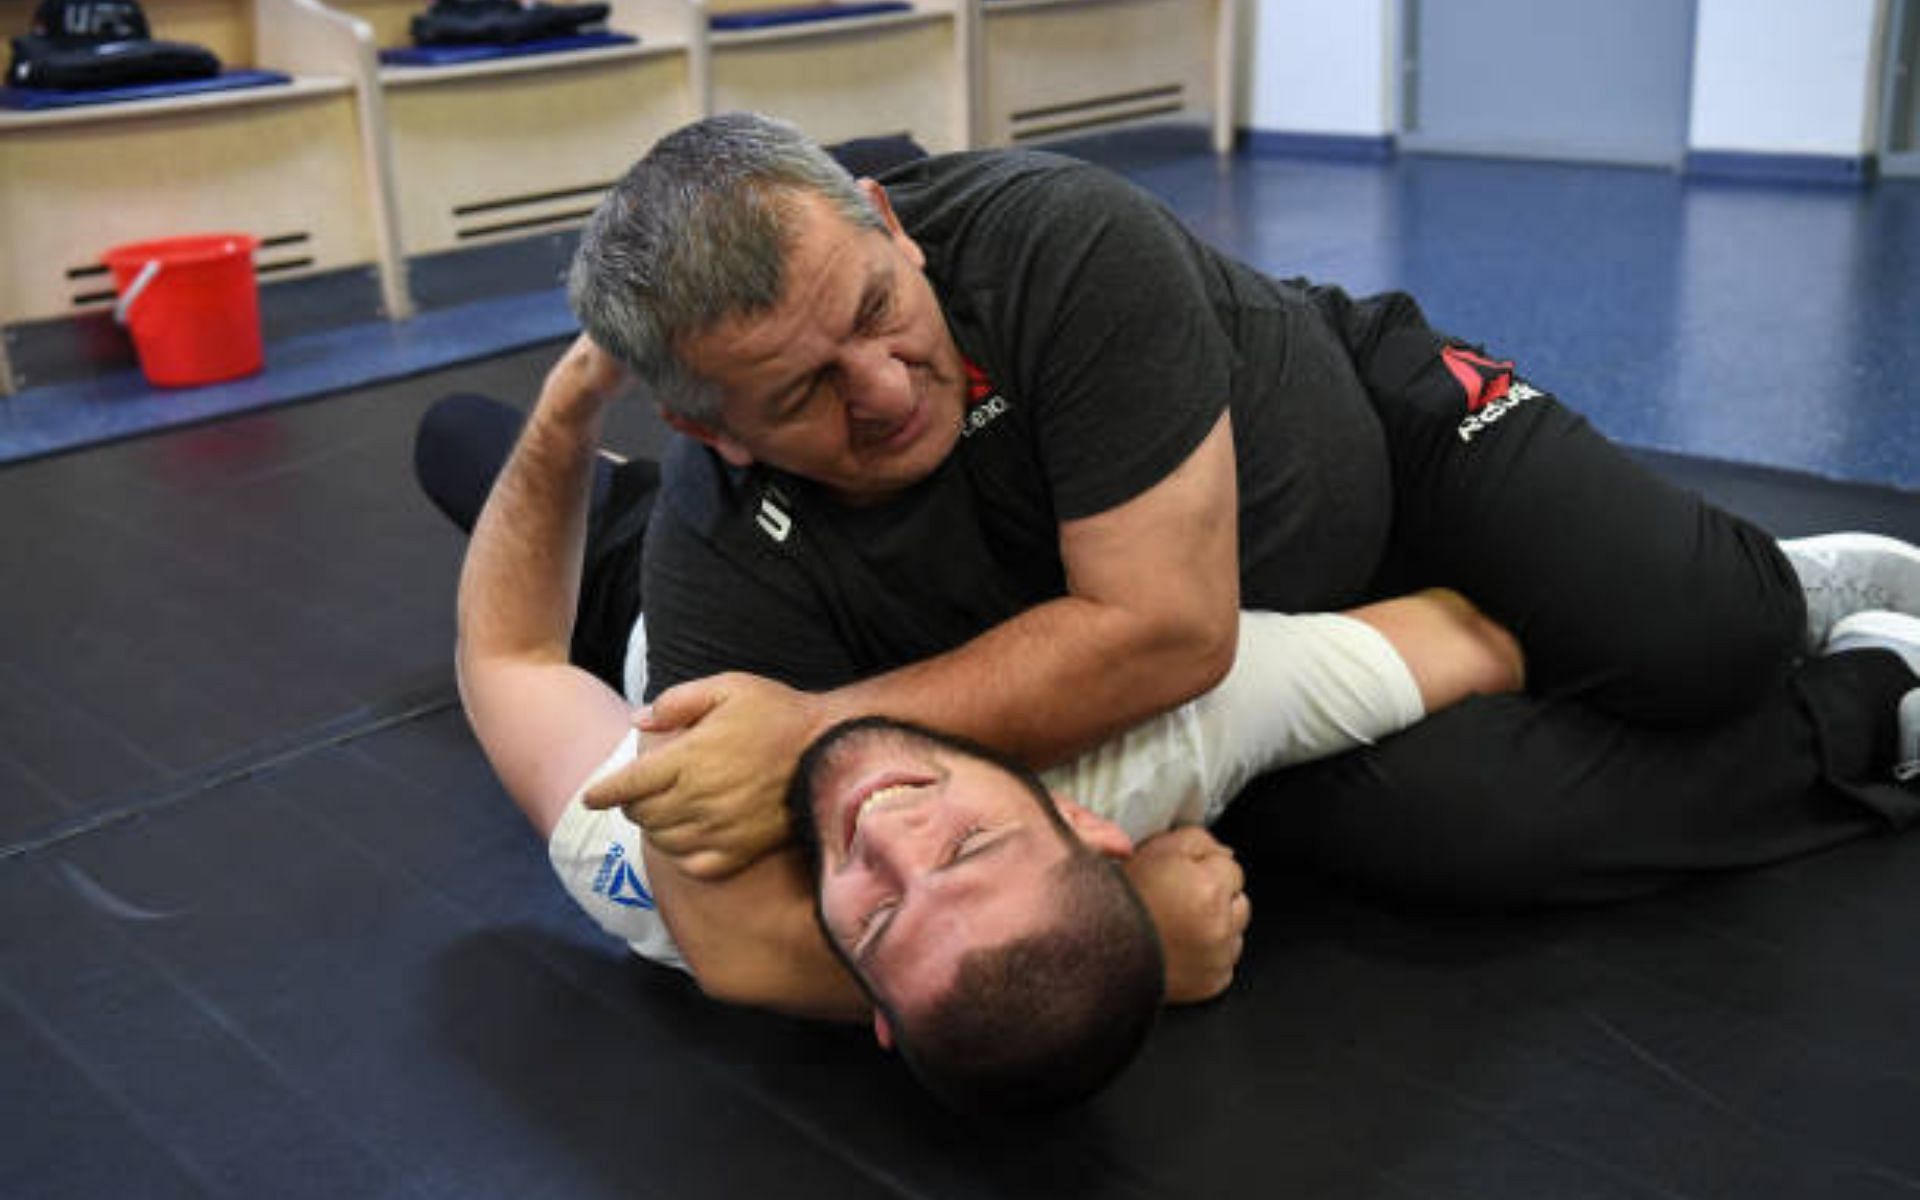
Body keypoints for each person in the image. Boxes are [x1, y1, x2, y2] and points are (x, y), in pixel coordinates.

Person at [429, 110, 1920, 1105]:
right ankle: (1871, 714)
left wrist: (812, 724)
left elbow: (1164, 631)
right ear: (716, 436)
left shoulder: (1052, 238)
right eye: (804, 392)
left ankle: (1775, 590)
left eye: (879, 314)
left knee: (1703, 633)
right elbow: (739, 940)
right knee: (1482, 837)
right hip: (1150, 653)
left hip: (1362, 450)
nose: (883, 390)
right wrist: (1100, 930)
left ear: (891, 223)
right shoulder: (725, 546)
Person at [443, 332, 1531, 1060]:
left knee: (450, 437)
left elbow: (512, 662)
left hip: (651, 565)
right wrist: (1141, 950)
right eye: (965, 850)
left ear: (866, 1003)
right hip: (881, 494)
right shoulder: (1166, 734)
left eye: (873, 914)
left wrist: (570, 406)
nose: (885, 835)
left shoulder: (677, 876)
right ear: (1085, 823)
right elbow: (1474, 635)